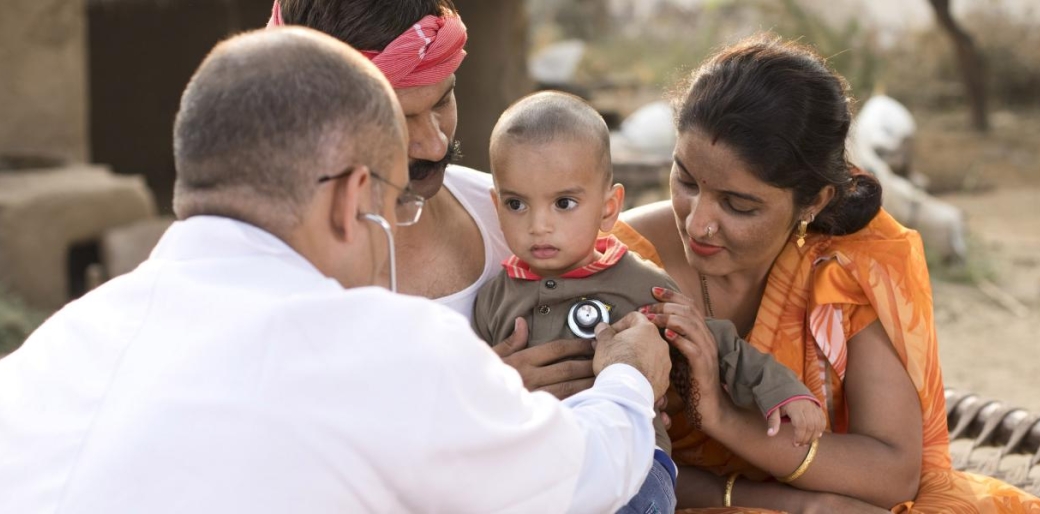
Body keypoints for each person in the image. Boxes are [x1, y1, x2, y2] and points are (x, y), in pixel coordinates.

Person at [0, 27, 672, 513]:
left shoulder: (49, 352)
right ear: (353, 198)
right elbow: (578, 477)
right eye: (390, 202)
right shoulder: (377, 345)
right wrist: (626, 380)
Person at [605, 35, 1040, 513]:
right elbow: (591, 457)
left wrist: (724, 420)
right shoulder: (617, 262)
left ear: (815, 201)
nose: (698, 222)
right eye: (686, 181)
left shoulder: (845, 266)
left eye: (739, 205)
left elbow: (893, 472)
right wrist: (788, 504)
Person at [473, 91, 828, 514]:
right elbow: (470, 391)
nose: (539, 226)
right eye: (516, 204)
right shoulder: (493, 297)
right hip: (536, 470)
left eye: (564, 203)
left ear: (608, 209)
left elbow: (714, 340)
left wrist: (782, 392)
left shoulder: (640, 284)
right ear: (497, 206)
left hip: (635, 472)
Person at [272, 0, 600, 399]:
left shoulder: (512, 215)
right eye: (401, 119)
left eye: (443, 101)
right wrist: (479, 399)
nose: (435, 143)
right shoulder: (271, 264)